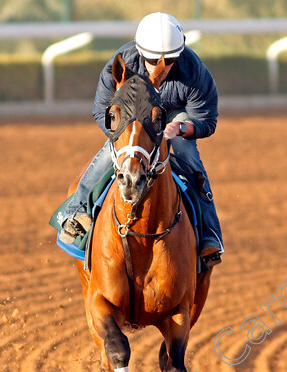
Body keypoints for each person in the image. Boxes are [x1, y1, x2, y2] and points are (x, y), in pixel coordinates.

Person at [60, 11, 223, 266]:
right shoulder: (121, 66)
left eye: (170, 59)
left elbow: (206, 120)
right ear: (139, 52)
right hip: (134, 119)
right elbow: (102, 110)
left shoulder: (194, 71)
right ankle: (76, 212)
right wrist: (127, 141)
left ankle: (209, 235)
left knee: (186, 153)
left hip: (174, 117)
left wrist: (178, 130)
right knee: (109, 154)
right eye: (153, 59)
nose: (163, 65)